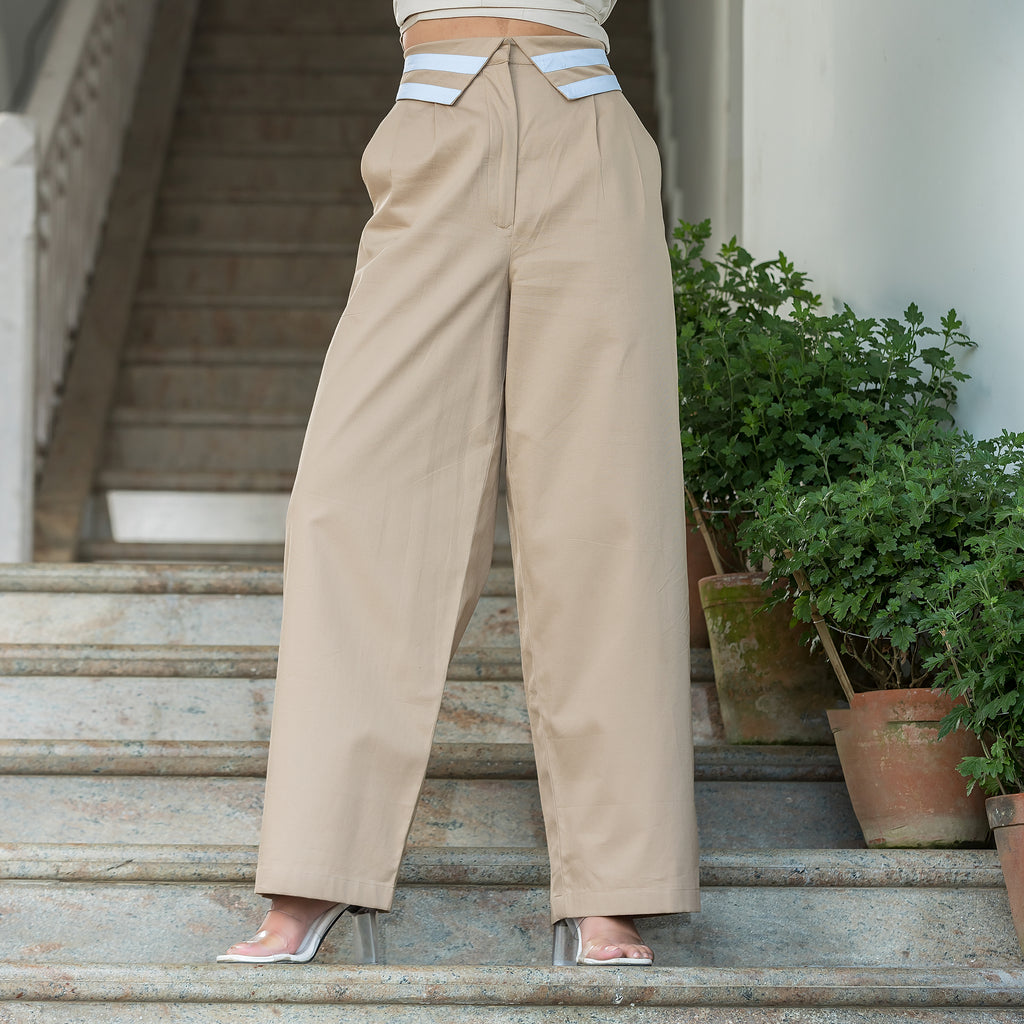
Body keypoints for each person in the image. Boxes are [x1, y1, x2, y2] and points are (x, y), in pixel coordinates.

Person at [219, 0, 699, 968]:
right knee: (351, 499)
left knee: (607, 511)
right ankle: (315, 863)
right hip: (436, 128)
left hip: (588, 126)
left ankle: (613, 884)